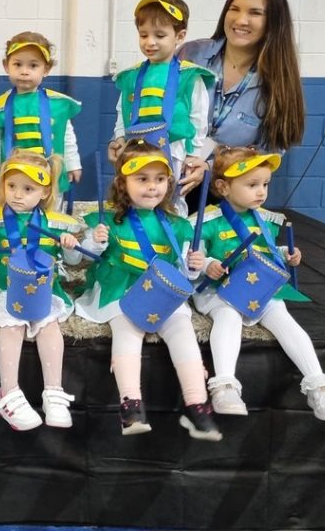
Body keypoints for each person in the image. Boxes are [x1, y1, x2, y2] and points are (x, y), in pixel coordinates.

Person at [74, 140, 222, 441]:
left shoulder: (177, 225)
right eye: (142, 179)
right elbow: (78, 258)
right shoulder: (108, 221)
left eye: (159, 179)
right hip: (121, 288)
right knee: (127, 328)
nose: (152, 187)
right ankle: (130, 404)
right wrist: (95, 243)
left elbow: (185, 272)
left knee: (182, 329)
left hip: (162, 291)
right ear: (123, 183)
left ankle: (197, 404)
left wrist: (194, 266)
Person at [186, 146, 325, 421]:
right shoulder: (209, 220)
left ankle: (318, 386)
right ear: (223, 187)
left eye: (265, 184)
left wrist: (286, 254)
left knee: (284, 319)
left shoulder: (265, 219)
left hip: (256, 285)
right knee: (228, 316)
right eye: (252, 185)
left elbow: (265, 252)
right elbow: (194, 257)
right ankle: (225, 386)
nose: (261, 192)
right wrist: (208, 263)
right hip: (219, 288)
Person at [0, 150, 85, 430]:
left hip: (43, 291)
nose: (17, 195)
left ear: (45, 192)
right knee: (12, 325)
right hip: (4, 290)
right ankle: (9, 392)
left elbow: (74, 262)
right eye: (11, 186)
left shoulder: (56, 224)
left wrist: (70, 247)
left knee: (49, 326)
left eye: (28, 189)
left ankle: (54, 393)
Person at [177, 0, 305, 192]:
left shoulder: (279, 82)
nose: (240, 20)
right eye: (234, 9)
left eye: (255, 13)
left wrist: (210, 168)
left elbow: (268, 152)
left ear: (273, 22)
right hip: (168, 182)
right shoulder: (190, 55)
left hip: (228, 194)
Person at [108, 0, 214, 206]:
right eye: (143, 35)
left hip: (173, 149)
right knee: (134, 196)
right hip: (135, 147)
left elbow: (199, 117)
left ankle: (173, 227)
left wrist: (194, 154)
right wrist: (118, 138)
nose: (150, 42)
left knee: (171, 198)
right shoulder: (131, 75)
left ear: (179, 36)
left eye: (160, 35)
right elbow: (123, 109)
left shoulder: (189, 75)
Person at [0, 32, 82, 201]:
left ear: (46, 69)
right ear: (6, 66)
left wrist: (73, 164)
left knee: (51, 211)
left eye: (33, 65)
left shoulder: (58, 103)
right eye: (17, 64)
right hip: (16, 177)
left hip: (51, 174)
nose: (24, 71)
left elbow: (67, 136)